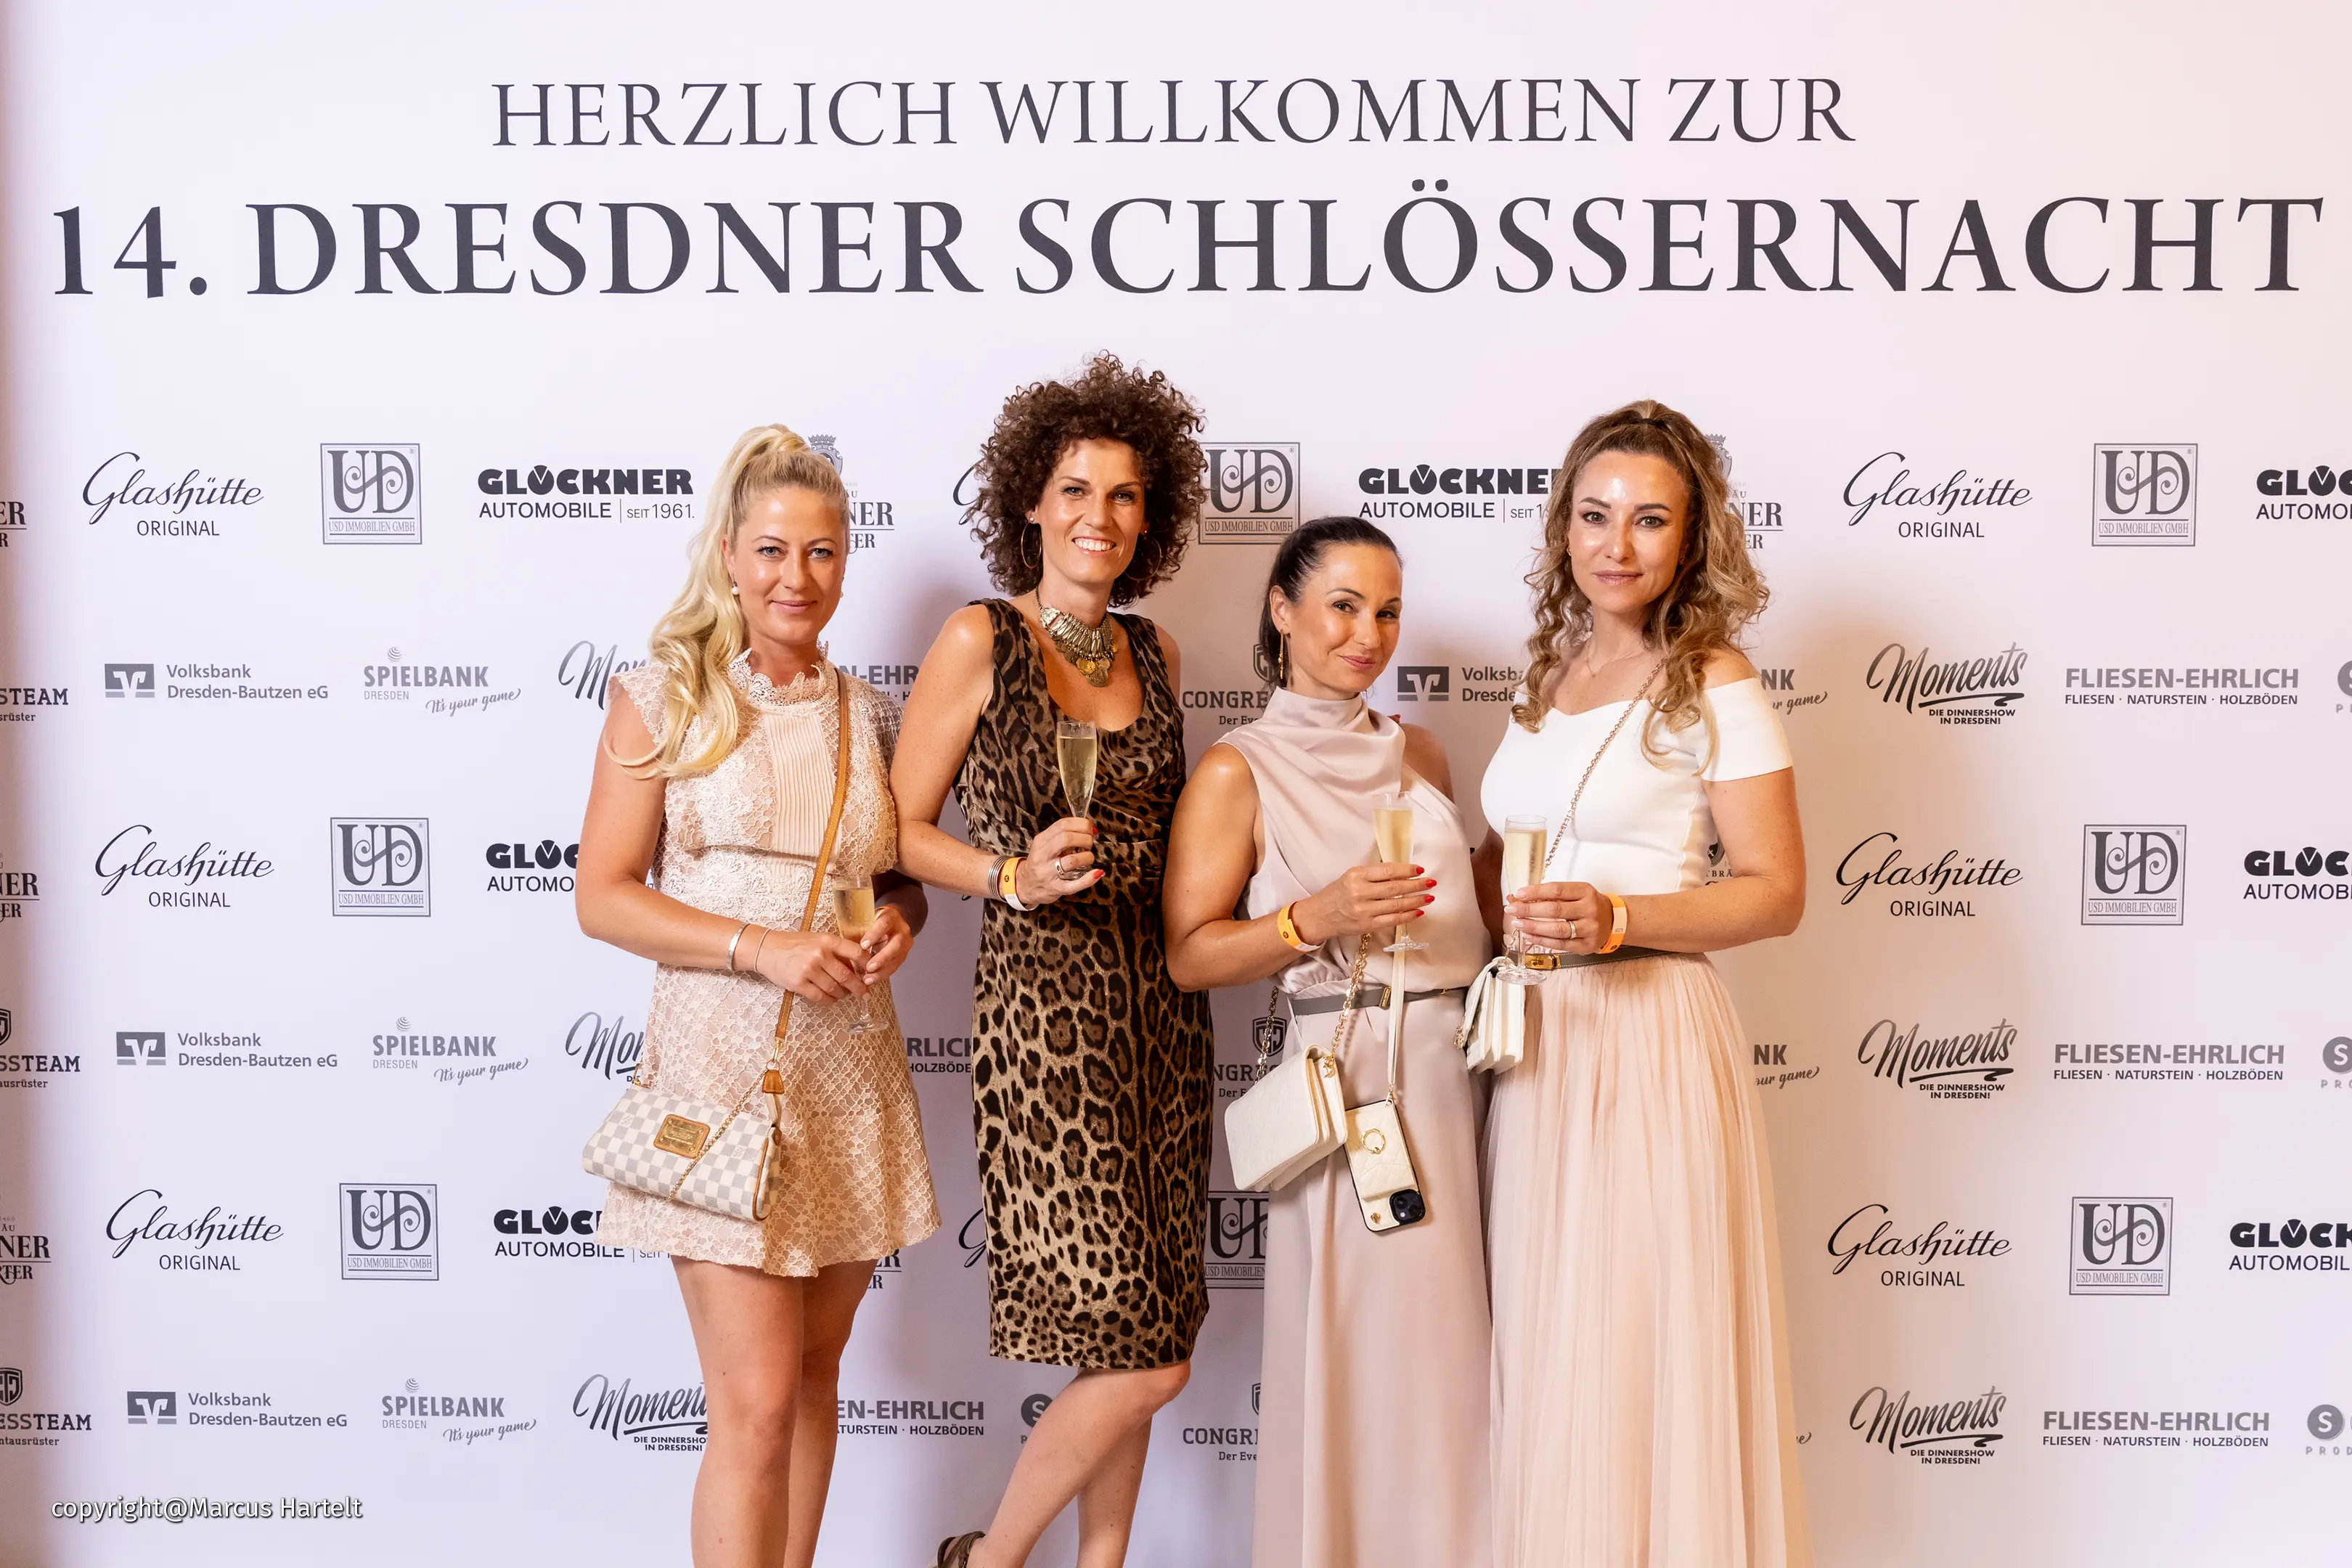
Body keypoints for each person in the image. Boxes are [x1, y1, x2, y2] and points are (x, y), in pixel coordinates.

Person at [575, 425, 939, 1568]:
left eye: (822, 553)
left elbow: (897, 882)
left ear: (847, 562)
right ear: (729, 555)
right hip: (719, 1082)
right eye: (773, 551)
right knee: (757, 1404)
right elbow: (602, 897)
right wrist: (758, 948)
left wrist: (898, 924)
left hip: (847, 1077)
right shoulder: (660, 699)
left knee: (817, 1376)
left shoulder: (871, 715)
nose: (797, 577)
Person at [892, 355, 1216, 1568]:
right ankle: (988, 1560)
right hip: (1047, 1033)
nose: (1100, 516)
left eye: (1125, 495)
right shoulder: (982, 637)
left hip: (1163, 1026)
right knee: (1148, 1356)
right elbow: (895, 828)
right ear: (1030, 500)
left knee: (1136, 1337)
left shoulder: (1158, 650)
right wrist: (1006, 877)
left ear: (1150, 516)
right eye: (1076, 489)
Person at [1479, 400, 1810, 1567]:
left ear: (1692, 536)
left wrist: (1620, 919)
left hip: (1649, 1041)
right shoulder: (1549, 674)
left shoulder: (1714, 677)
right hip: (1536, 1044)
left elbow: (1777, 891)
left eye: (1649, 519)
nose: (1615, 544)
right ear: (1563, 527)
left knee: (1637, 1342)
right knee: (1551, 1340)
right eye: (1594, 514)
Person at [1163, 518, 1495, 1568]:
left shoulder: (1422, 752)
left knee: (1458, 1357)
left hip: (1464, 1077)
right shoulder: (1238, 770)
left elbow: (1471, 916)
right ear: (1282, 610)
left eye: (1387, 612)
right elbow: (1190, 954)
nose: (1367, 635)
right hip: (1351, 1089)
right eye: (1343, 606)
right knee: (1365, 1351)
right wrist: (1318, 916)